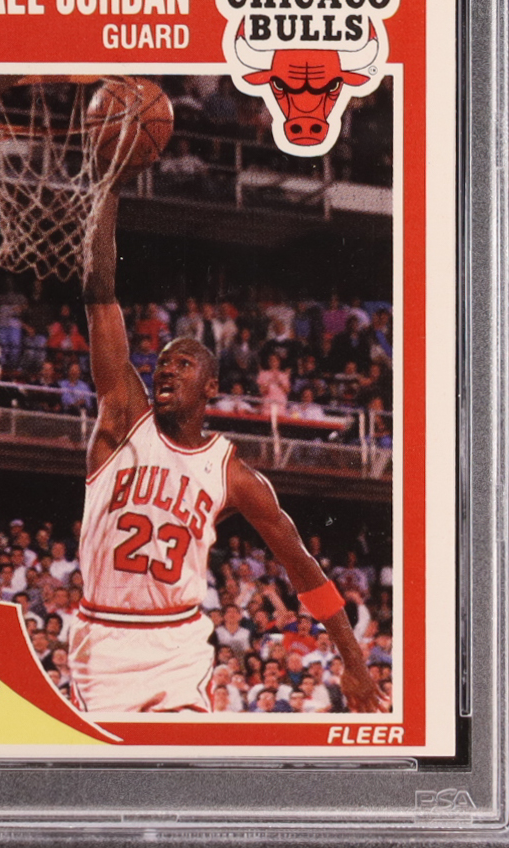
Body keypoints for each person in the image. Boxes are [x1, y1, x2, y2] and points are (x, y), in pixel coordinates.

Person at [67, 190, 382, 715]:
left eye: (183, 364)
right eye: (162, 363)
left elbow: (302, 566)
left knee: (179, 758)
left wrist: (353, 660)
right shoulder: (123, 418)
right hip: (103, 637)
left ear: (211, 387)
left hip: (178, 643)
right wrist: (108, 188)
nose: (167, 370)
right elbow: (100, 294)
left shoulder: (232, 474)